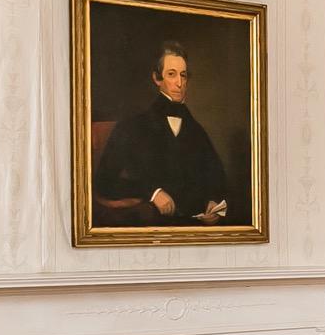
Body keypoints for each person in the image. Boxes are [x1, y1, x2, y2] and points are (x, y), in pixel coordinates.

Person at [92, 40, 231, 226]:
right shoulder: (131, 127)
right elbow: (104, 182)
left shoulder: (196, 130)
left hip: (196, 228)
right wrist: (152, 193)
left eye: (183, 75)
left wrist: (215, 203)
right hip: (151, 228)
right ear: (157, 79)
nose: (179, 83)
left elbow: (217, 178)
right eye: (171, 75)